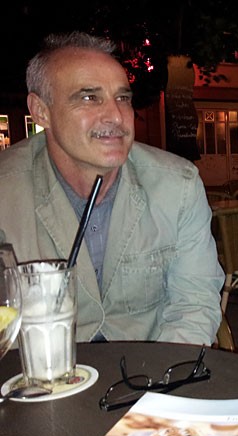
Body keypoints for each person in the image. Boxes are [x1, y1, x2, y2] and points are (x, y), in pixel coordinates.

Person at [0, 32, 224, 344]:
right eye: (89, 98)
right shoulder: (7, 190)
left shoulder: (178, 186)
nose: (116, 116)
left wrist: (159, 375)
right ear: (41, 111)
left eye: (123, 98)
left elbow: (194, 306)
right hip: (40, 369)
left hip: (151, 365)